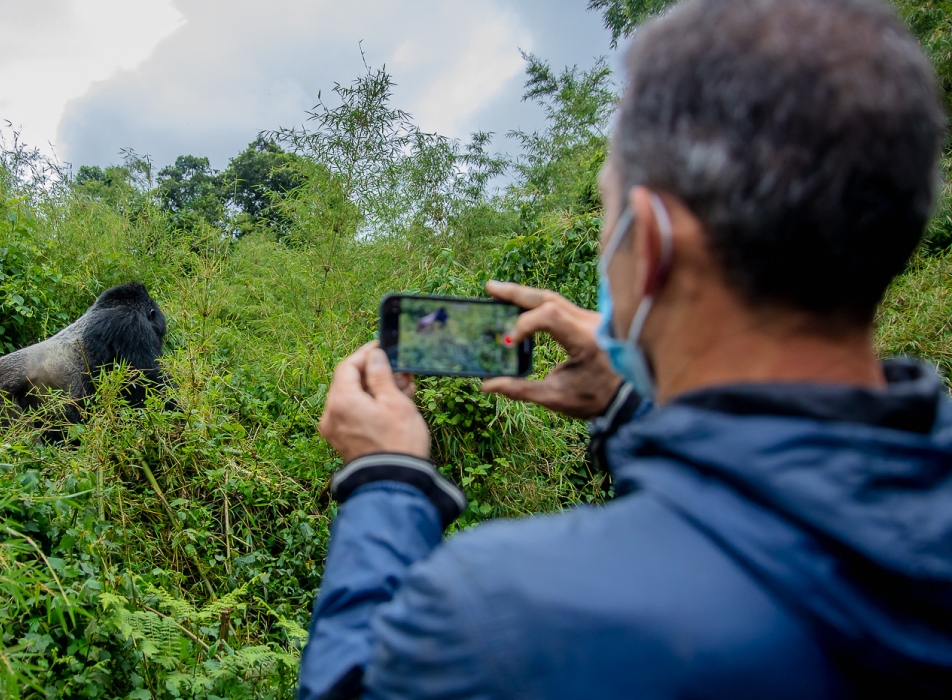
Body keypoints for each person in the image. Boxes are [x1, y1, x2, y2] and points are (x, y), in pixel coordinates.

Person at [296, 0, 952, 697]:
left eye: (608, 213)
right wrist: (627, 404)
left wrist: (387, 482)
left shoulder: (501, 613)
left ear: (654, 244)